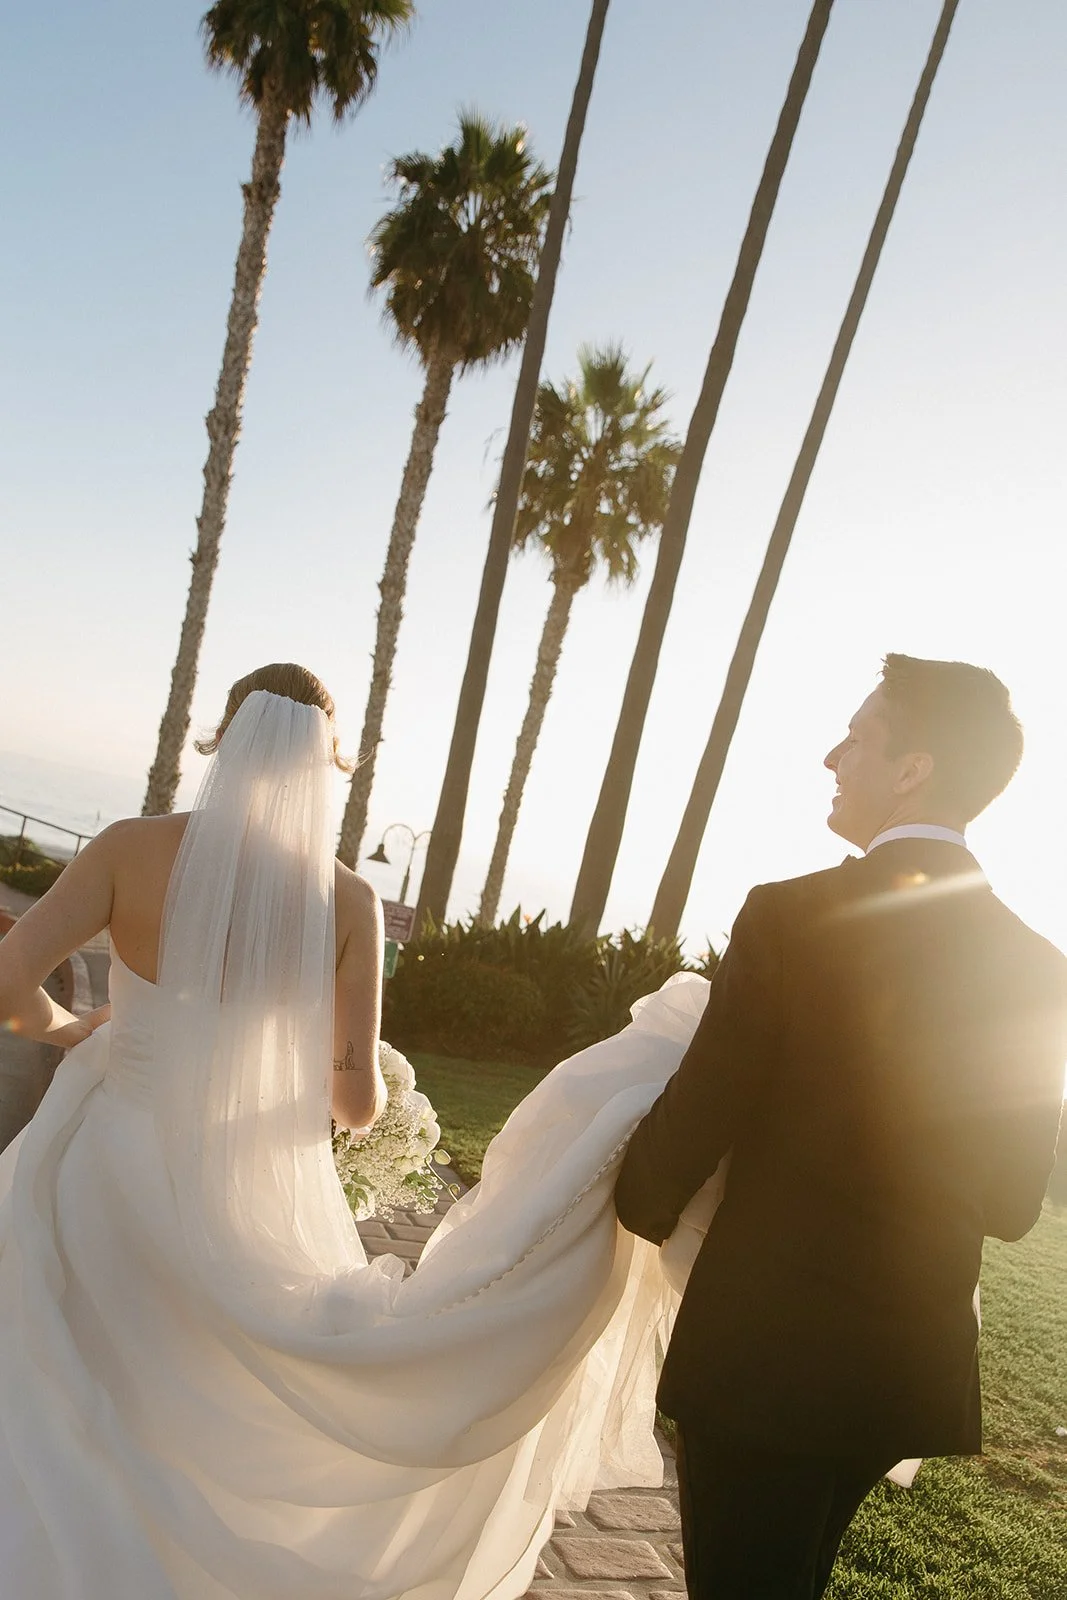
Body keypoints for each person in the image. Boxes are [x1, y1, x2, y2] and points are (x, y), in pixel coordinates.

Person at [0, 663, 688, 1600]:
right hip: (244, 1185)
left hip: (105, 1158)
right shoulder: (349, 900)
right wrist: (356, 1088)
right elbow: (354, 1103)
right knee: (209, 1386)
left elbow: (11, 984)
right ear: (329, 765)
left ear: (224, 738)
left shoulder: (128, 847)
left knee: (71, 1364)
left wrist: (70, 1030)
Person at [615, 653, 1067, 1600]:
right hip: (902, 1364)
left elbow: (699, 1115)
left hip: (763, 1350)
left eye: (857, 737)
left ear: (912, 769)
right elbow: (1012, 1204)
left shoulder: (791, 915)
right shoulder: (1037, 965)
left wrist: (625, 1198)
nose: (832, 757)